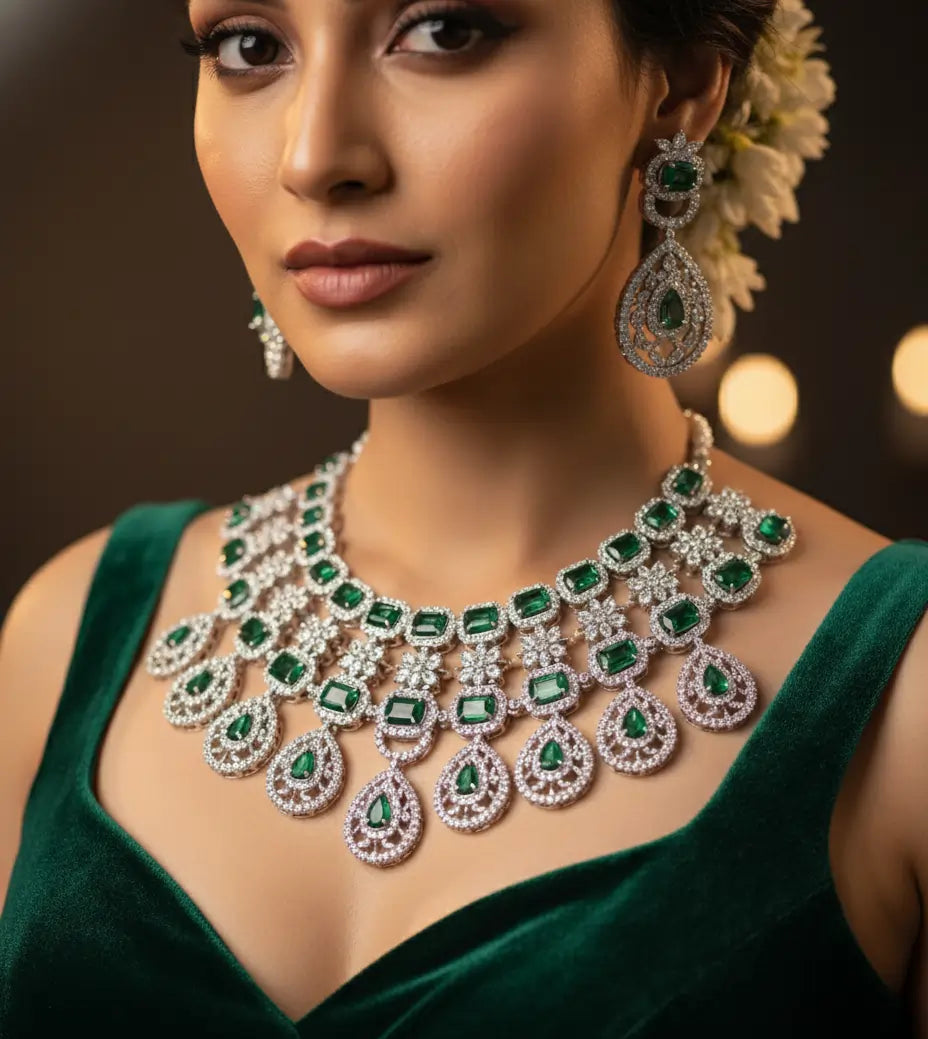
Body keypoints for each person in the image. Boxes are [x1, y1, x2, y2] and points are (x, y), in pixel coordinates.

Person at [1, 0, 926, 1035]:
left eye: (442, 33)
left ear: (681, 87)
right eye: (249, 47)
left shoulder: (901, 702)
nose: (315, 156)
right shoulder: (68, 639)